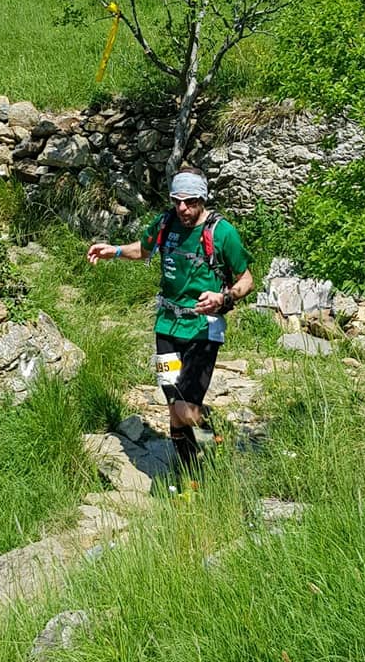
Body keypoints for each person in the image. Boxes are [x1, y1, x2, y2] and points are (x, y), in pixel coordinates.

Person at [87, 166, 254, 480]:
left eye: (190, 201)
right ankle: (190, 475)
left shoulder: (223, 232)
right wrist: (115, 251)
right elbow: (144, 249)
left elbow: (247, 280)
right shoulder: (165, 222)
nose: (182, 208)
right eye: (177, 200)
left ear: (202, 199)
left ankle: (213, 430)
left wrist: (224, 298)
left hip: (205, 330)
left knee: (185, 410)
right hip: (165, 328)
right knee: (173, 406)